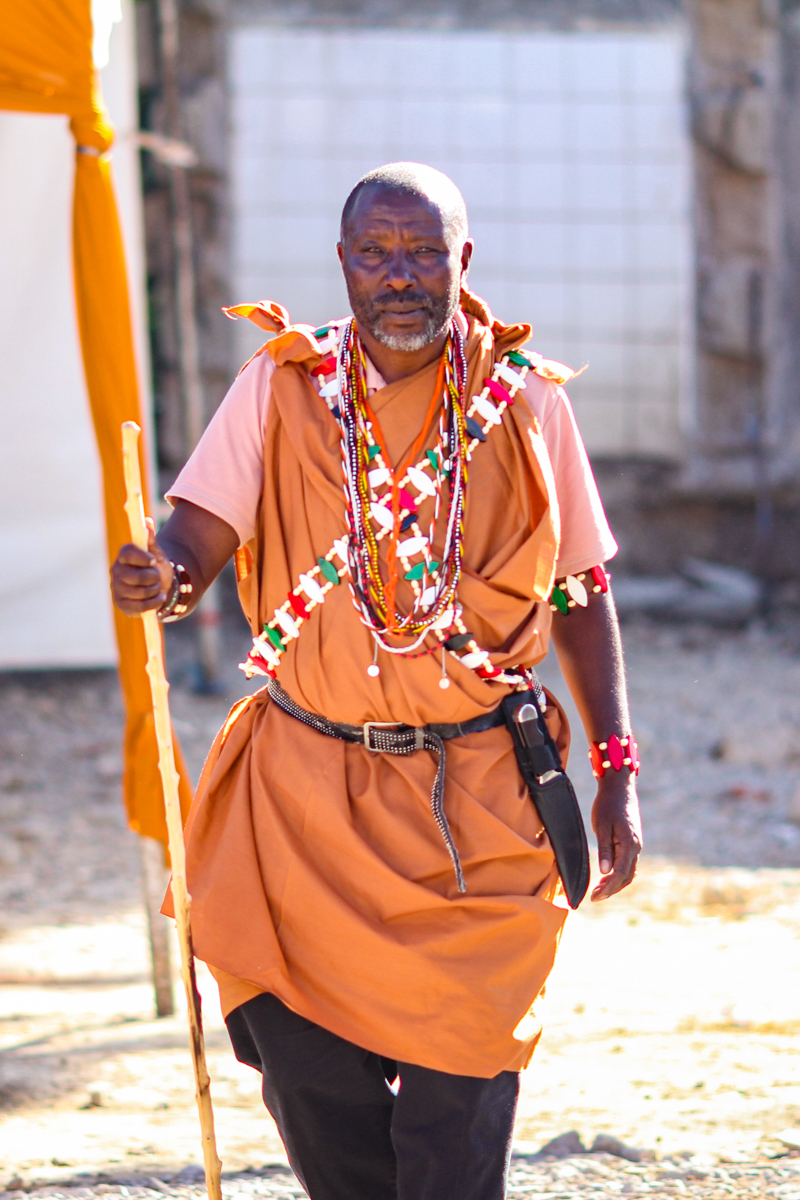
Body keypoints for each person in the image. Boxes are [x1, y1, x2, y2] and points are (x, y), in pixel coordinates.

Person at [112, 162, 642, 1200]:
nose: (398, 277)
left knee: (455, 1123)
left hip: (480, 815)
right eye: (374, 253)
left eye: (422, 253)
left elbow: (580, 589)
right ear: (342, 263)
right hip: (300, 806)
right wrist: (162, 578)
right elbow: (195, 540)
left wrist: (618, 767)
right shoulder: (280, 384)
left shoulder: (526, 403)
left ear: (462, 261)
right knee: (312, 1088)